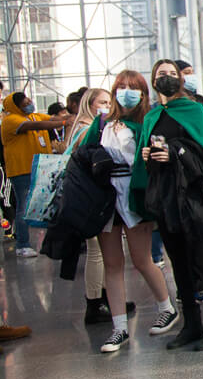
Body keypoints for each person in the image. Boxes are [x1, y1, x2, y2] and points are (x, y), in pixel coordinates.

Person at [132, 59, 203, 351]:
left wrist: (175, 152)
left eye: (171, 73)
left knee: (201, 260)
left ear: (180, 80)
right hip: (166, 196)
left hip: (194, 198)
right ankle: (191, 324)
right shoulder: (152, 116)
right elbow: (146, 152)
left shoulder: (195, 111)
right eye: (160, 73)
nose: (165, 77)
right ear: (152, 81)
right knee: (177, 261)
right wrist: (148, 157)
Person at [77, 71, 179, 353]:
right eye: (120, 87)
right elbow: (84, 153)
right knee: (112, 263)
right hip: (105, 196)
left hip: (134, 194)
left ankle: (166, 307)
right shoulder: (101, 123)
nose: (125, 92)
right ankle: (119, 328)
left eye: (131, 88)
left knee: (141, 258)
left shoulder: (147, 121)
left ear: (143, 93)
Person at [67, 88, 123, 324]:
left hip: (87, 195)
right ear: (89, 104)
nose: (107, 106)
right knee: (95, 251)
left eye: (109, 102)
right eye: (101, 102)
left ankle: (106, 298)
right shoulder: (85, 129)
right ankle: (94, 302)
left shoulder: (86, 126)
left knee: (100, 251)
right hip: (87, 197)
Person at [1, 91, 71, 256]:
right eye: (25, 103)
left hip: (40, 168)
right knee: (23, 207)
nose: (29, 104)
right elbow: (38, 126)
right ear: (16, 106)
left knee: (47, 205)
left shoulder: (34, 116)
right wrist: (63, 121)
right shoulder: (10, 121)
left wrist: (66, 119)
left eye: (29, 101)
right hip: (22, 170)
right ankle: (22, 244)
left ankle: (51, 242)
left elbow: (49, 119)